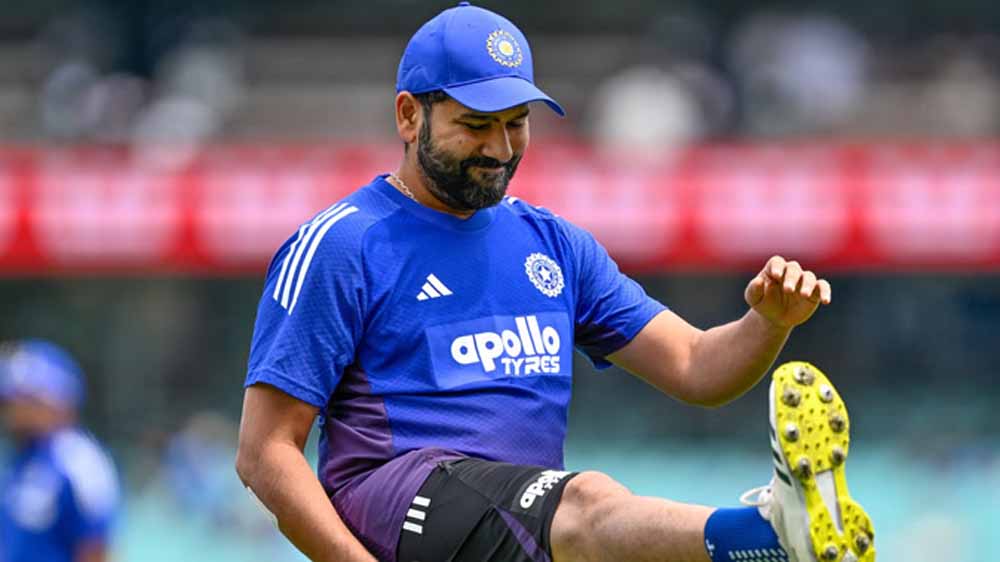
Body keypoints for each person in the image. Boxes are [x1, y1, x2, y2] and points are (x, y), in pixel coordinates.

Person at [236, 3, 875, 561]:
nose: (500, 148)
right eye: (476, 125)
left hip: (521, 529)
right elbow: (265, 451)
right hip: (398, 505)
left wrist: (769, 322)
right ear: (409, 116)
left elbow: (696, 367)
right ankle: (766, 535)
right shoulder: (343, 244)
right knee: (592, 501)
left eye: (516, 122)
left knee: (586, 516)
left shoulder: (554, 246)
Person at [0, 340, 120, 562]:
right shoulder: (21, 458)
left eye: (26, 399)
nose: (14, 410)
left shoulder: (80, 461)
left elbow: (94, 548)